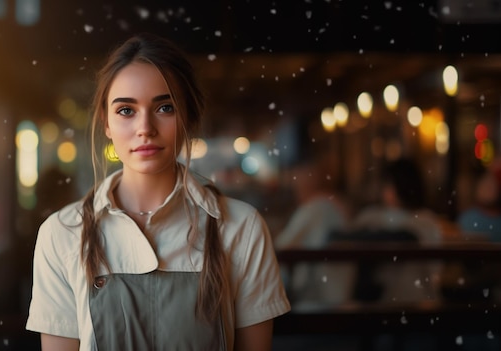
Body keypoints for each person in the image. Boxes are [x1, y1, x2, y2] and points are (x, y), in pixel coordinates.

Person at [25, 33, 291, 351]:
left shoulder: (241, 228)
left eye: (165, 107)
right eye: (126, 110)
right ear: (106, 123)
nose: (145, 128)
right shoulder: (62, 234)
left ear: (189, 117)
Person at [351, 157, 443, 303]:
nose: (385, 190)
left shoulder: (424, 221)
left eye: (389, 184)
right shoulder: (372, 216)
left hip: (409, 300)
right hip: (391, 300)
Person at [274, 160, 356, 306]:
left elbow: (281, 245)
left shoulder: (314, 208)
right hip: (344, 288)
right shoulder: (340, 204)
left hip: (318, 294)